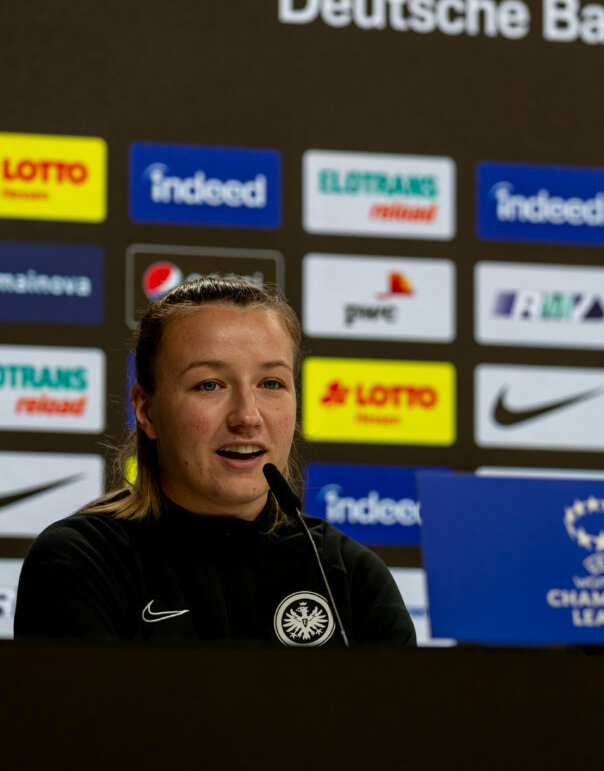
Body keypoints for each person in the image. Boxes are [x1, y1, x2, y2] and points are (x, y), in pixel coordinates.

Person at [14, 277, 417, 647]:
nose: (247, 416)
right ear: (146, 410)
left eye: (271, 383)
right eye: (209, 385)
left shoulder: (349, 575)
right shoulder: (82, 561)